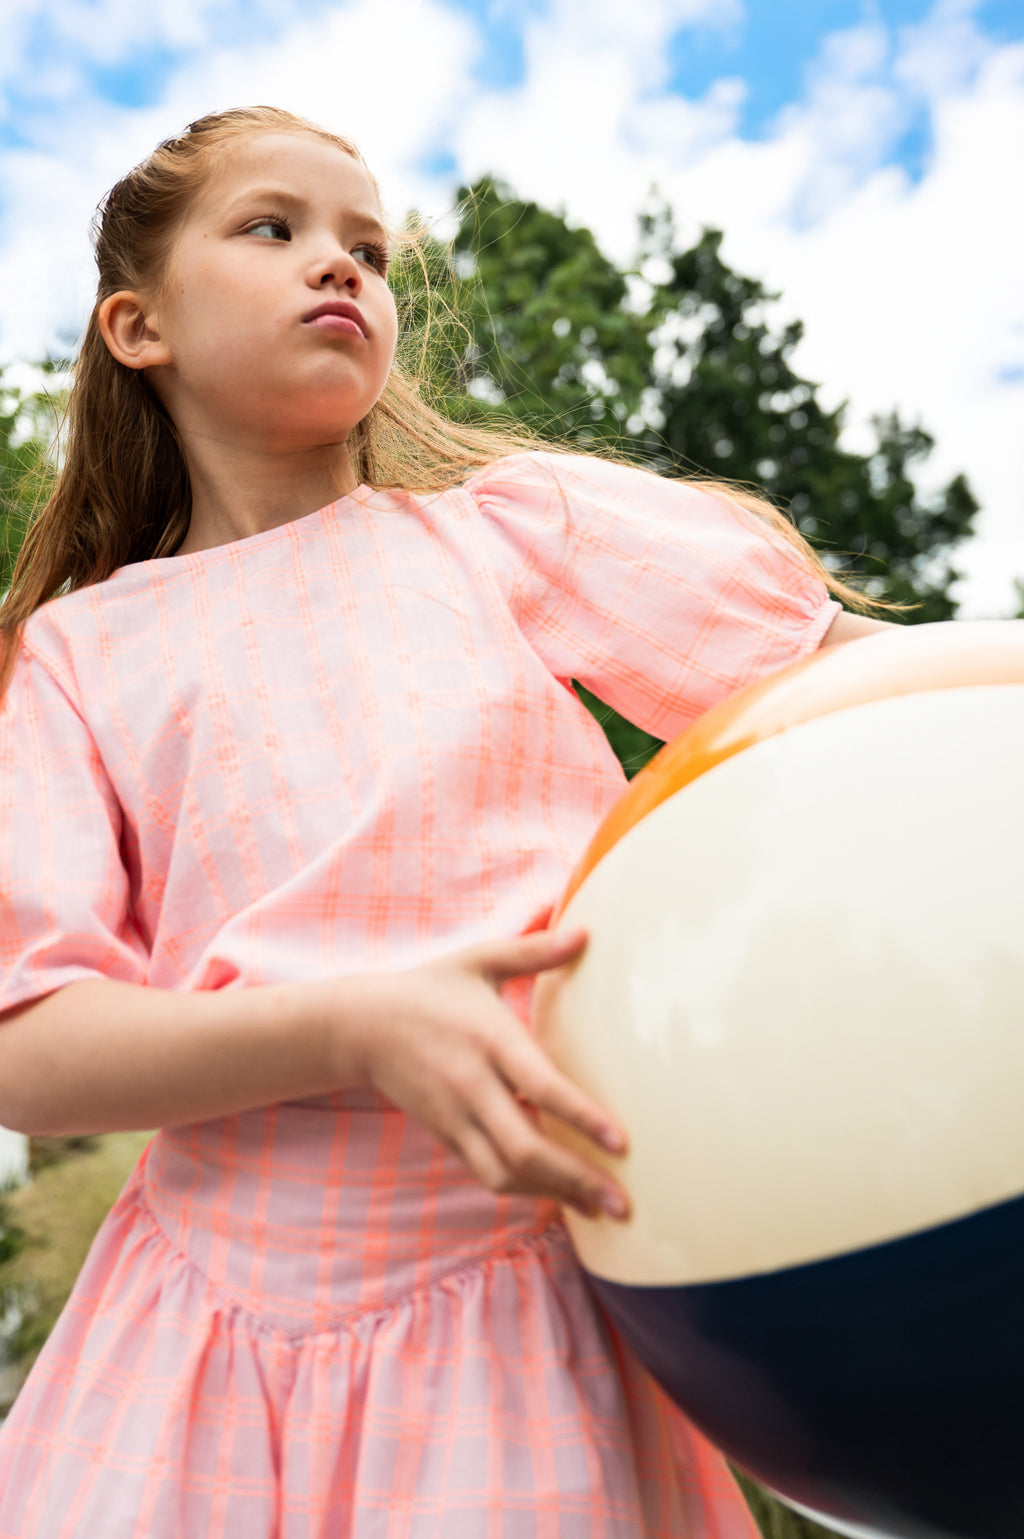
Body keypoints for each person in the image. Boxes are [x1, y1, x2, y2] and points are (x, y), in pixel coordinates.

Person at [0, 105, 889, 1537]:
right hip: (201, 1358)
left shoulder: (511, 536)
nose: (342, 267)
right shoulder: (71, 657)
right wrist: (355, 1024)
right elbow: (30, 1047)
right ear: (136, 325)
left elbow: (869, 690)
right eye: (274, 229)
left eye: (368, 247)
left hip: (525, 1321)